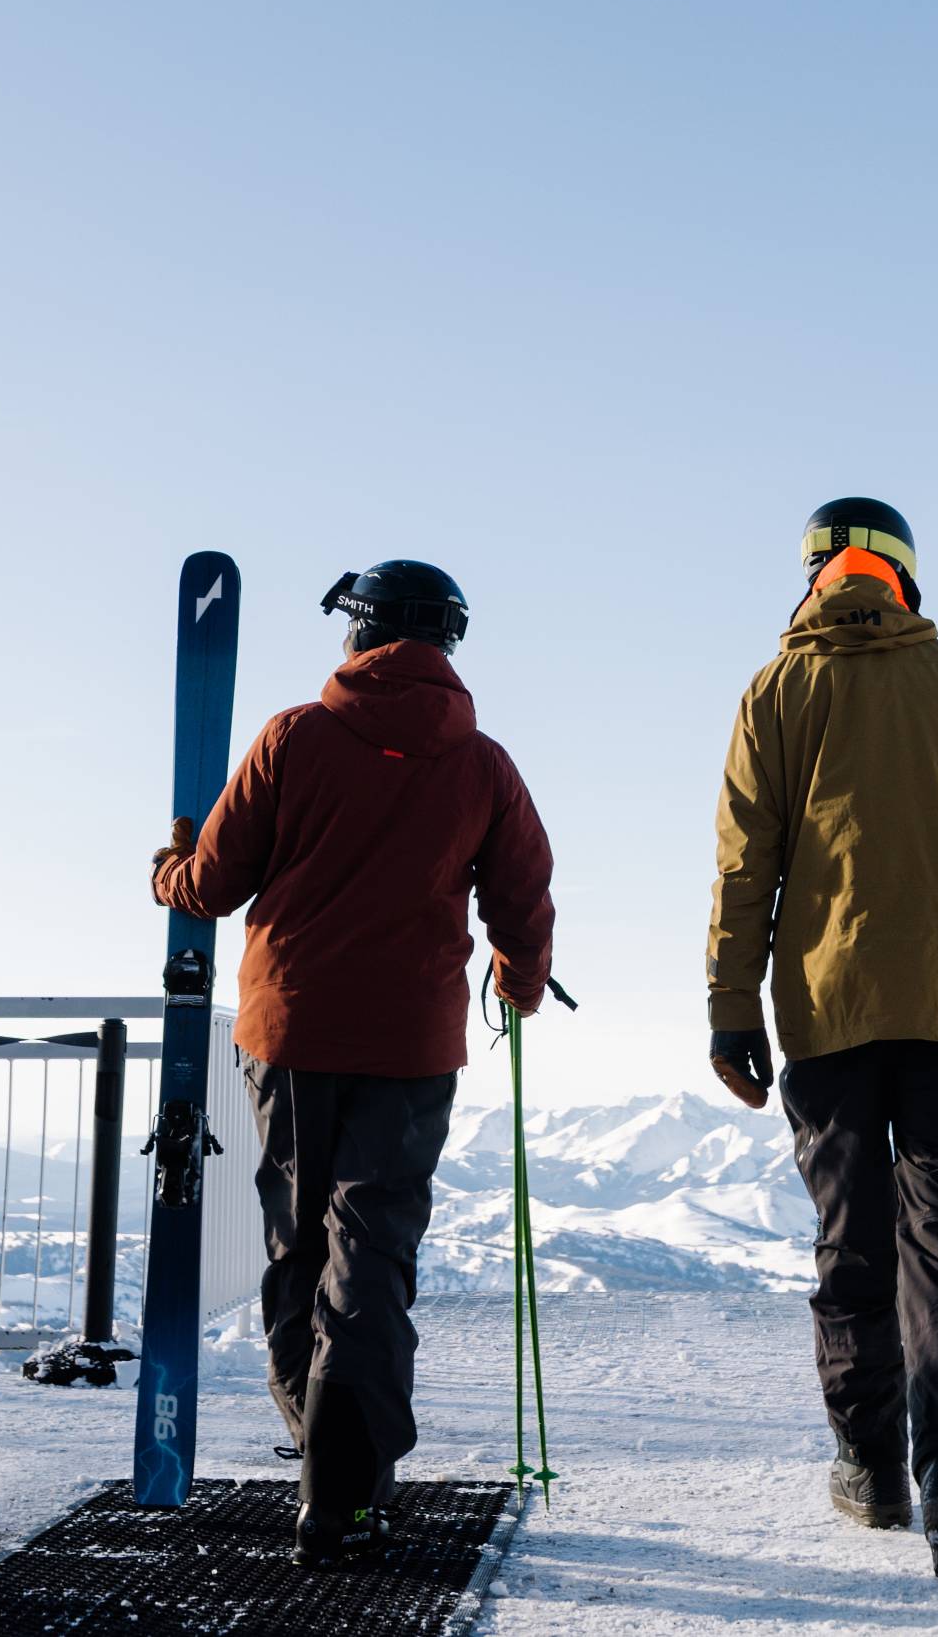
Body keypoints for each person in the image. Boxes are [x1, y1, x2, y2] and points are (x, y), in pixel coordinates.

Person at [153, 558, 555, 1569]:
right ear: (446, 643)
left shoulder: (294, 736)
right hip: (412, 1046)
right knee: (371, 1257)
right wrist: (518, 976)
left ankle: (317, 1449)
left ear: (358, 630)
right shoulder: (485, 765)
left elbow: (211, 882)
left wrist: (170, 863)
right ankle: (347, 1488)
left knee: (296, 1243)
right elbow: (524, 890)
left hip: (290, 1035)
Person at [705, 497, 938, 1584]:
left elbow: (743, 868)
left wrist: (731, 1008)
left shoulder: (775, 689)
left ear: (812, 576)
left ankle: (869, 1465)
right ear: (904, 575)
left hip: (828, 1013)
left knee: (852, 1240)